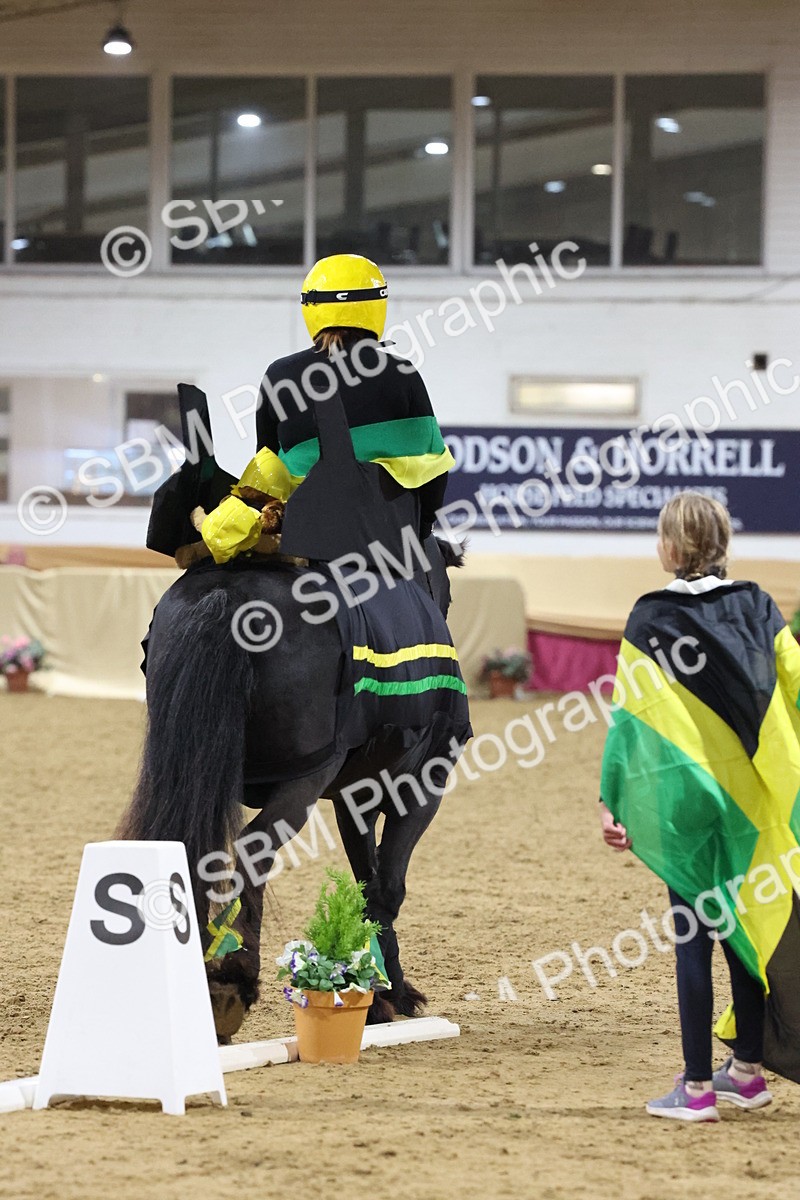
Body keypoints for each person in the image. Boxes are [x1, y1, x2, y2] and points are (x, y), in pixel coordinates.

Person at [599, 491, 800, 1122]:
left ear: (675, 548)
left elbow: (632, 722)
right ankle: (745, 1071)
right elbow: (794, 684)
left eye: (662, 537)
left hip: (686, 802)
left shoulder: (650, 616)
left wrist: (614, 801)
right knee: (742, 928)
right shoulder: (758, 606)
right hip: (750, 802)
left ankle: (694, 1089)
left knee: (694, 939)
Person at [255, 253, 454, 563]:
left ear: (311, 307)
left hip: (301, 534)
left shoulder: (280, 375)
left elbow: (264, 465)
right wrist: (422, 531)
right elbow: (433, 468)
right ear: (377, 305)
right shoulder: (403, 374)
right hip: (382, 537)